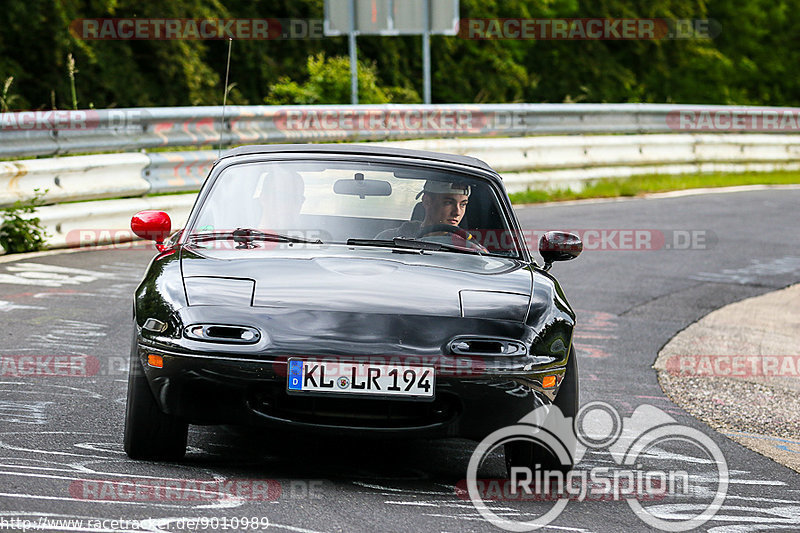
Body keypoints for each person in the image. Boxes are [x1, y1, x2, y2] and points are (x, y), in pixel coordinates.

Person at [376, 180, 471, 240]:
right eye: (448, 203)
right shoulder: (388, 238)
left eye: (463, 204)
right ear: (427, 201)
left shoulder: (465, 247)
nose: (457, 212)